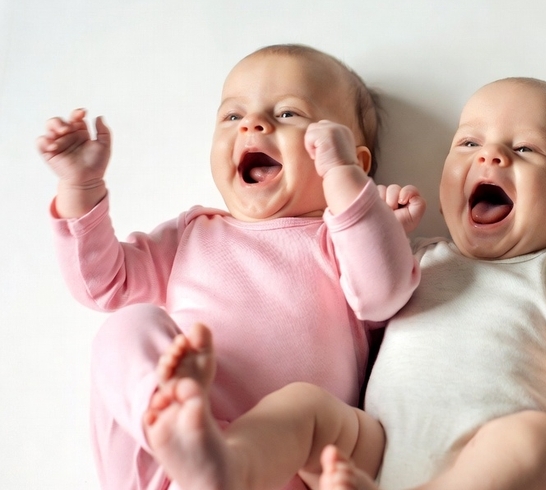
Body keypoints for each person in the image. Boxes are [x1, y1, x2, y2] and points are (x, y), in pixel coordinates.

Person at [140, 76, 546, 490]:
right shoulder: (422, 256)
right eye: (469, 143)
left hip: (485, 466)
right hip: (375, 453)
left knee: (542, 441)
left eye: (525, 148)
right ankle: (227, 466)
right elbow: (367, 293)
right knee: (305, 406)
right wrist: (382, 228)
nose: (490, 157)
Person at [35, 44, 420, 490]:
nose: (253, 124)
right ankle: (181, 432)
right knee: (126, 327)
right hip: (168, 472)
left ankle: (212, 459)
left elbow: (383, 294)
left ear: (355, 158)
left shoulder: (342, 242)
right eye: (232, 116)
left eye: (289, 113)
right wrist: (82, 188)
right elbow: (103, 284)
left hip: (279, 467)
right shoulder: (192, 235)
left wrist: (350, 190)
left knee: (306, 412)